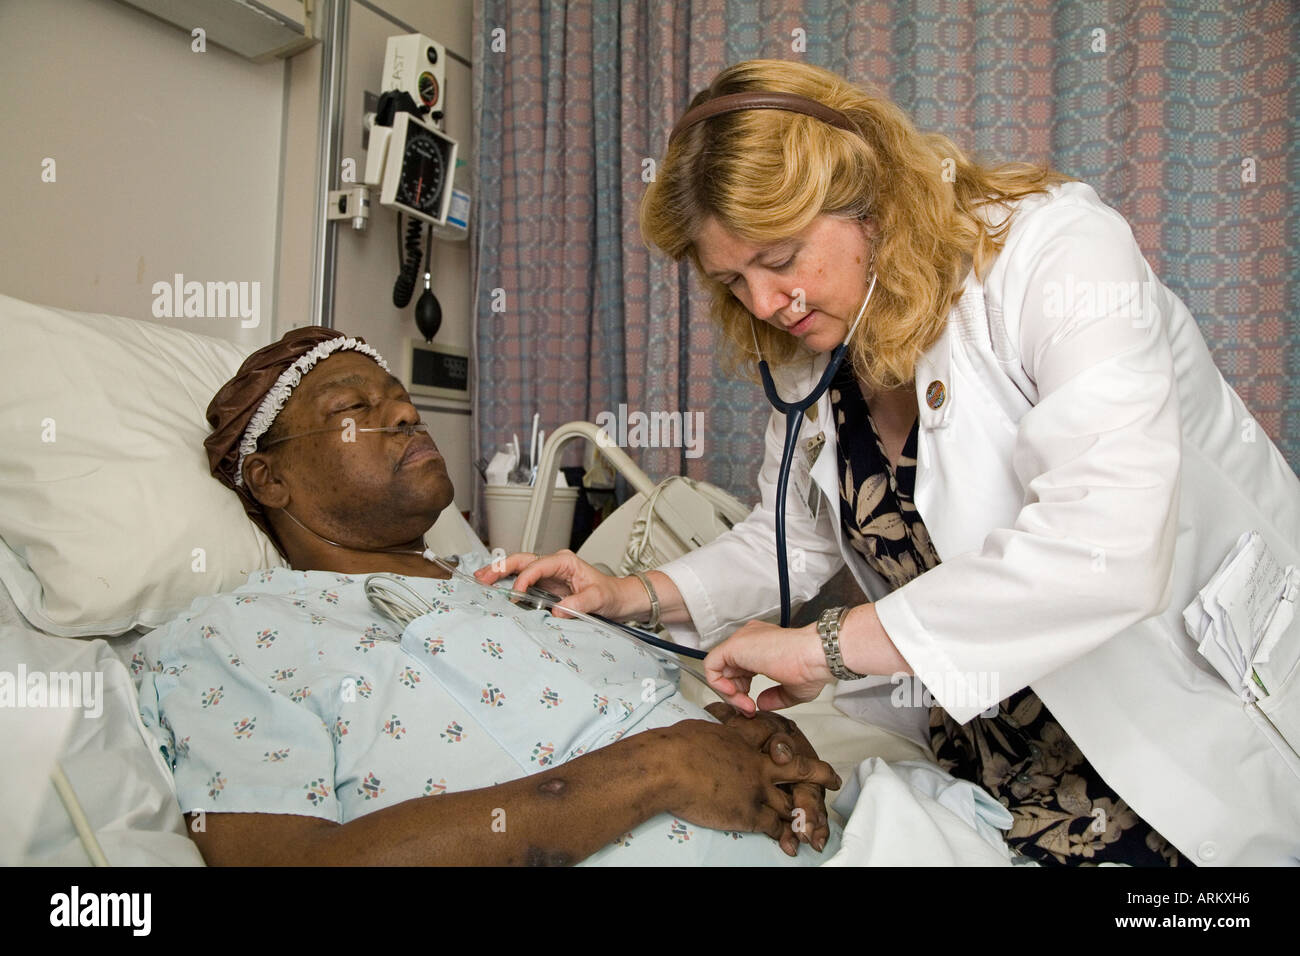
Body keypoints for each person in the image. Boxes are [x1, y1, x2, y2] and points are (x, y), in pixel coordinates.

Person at [477, 59, 1300, 866]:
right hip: (992, 759)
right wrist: (629, 593)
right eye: (733, 280)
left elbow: (1105, 545)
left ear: (871, 200)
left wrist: (823, 648)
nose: (764, 304)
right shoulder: (817, 359)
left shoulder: (1058, 254)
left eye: (780, 256)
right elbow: (788, 540)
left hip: (1175, 719)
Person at [134, 326, 842, 867]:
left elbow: (651, 719)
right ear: (268, 480)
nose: (407, 416)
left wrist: (747, 746)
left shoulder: (506, 585)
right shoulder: (234, 638)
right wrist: (656, 769)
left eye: (404, 402)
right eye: (355, 407)